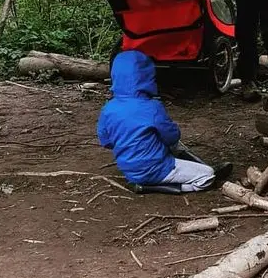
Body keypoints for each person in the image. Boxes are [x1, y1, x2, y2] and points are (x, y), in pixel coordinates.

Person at [97, 51, 231, 193]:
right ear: (147, 77)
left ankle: (196, 166)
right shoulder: (152, 107)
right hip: (157, 169)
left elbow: (106, 141)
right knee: (207, 176)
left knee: (154, 139)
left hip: (129, 170)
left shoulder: (108, 108)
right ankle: (153, 187)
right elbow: (173, 137)